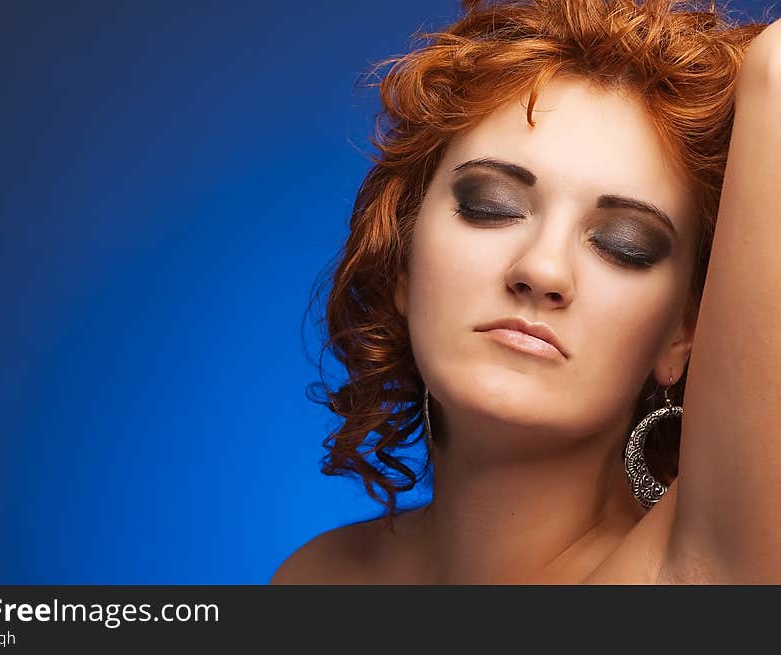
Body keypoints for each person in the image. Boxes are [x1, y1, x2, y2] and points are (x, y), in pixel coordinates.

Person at [272, 0, 781, 584]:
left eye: (624, 245)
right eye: (492, 206)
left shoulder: (698, 578)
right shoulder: (314, 578)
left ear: (682, 336)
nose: (541, 269)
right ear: (404, 263)